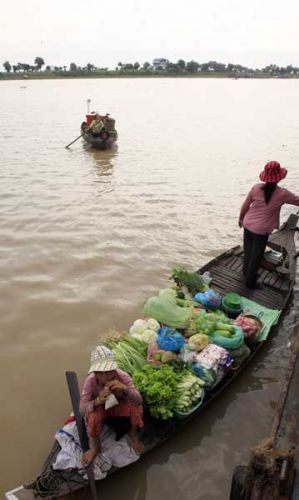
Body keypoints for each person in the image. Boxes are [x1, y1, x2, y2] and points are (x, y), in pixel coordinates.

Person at [80, 345, 144, 466]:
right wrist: (98, 400)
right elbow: (82, 408)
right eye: (101, 373)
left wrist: (125, 390)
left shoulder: (122, 376)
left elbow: (138, 401)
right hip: (102, 409)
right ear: (95, 373)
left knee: (136, 408)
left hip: (120, 406)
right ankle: (95, 447)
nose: (106, 377)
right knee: (92, 417)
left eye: (109, 371)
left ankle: (134, 434)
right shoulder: (90, 381)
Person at [238, 161, 299, 289]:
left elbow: (245, 206)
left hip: (248, 224)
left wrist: (240, 219)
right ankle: (250, 283)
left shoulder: (256, 188)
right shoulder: (283, 194)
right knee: (256, 256)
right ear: (279, 178)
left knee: (248, 250)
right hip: (261, 230)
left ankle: (245, 271)